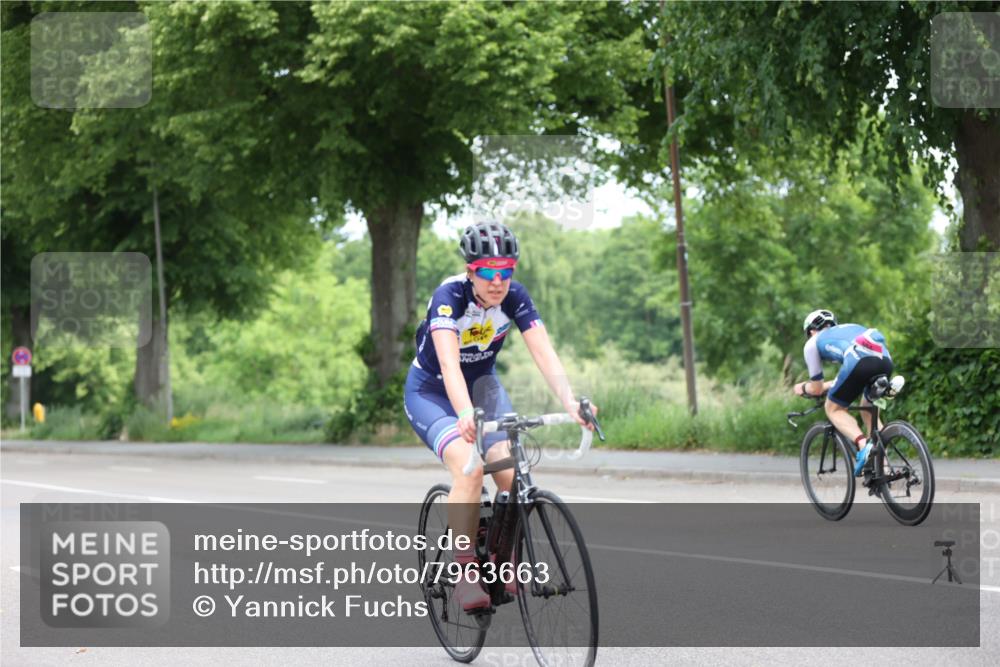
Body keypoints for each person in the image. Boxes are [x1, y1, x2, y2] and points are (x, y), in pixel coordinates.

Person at [404, 220, 597, 612]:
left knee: (512, 477)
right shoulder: (448, 298)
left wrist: (571, 403)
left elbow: (543, 351)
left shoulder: (515, 297)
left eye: (506, 271)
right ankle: (463, 573)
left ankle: (502, 558)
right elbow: (448, 362)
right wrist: (463, 414)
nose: (498, 281)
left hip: (484, 387)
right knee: (470, 469)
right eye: (489, 272)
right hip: (433, 391)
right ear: (471, 272)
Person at [793, 309, 894, 476]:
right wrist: (831, 384)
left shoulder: (812, 343)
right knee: (867, 409)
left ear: (811, 331)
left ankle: (863, 446)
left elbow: (816, 388)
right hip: (885, 360)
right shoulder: (849, 328)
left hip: (859, 361)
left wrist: (802, 388)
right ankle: (884, 467)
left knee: (833, 408)